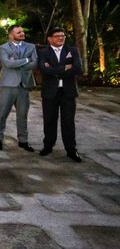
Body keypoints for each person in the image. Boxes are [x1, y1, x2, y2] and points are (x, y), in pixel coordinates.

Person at [38, 27, 83, 162]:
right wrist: (64, 68)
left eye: (62, 35)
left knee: (68, 122)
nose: (60, 38)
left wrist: (54, 70)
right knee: (49, 120)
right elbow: (43, 69)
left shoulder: (72, 51)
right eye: (57, 36)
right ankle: (48, 146)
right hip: (50, 92)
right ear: (50, 39)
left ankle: (71, 150)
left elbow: (78, 68)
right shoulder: (43, 52)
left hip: (68, 92)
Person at [0, 25, 37, 151]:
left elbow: (34, 64)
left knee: (22, 115)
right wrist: (26, 60)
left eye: (22, 31)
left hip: (24, 85)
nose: (22, 33)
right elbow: (7, 63)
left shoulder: (31, 46)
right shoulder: (3, 47)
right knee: (2, 114)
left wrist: (16, 63)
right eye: (19, 32)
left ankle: (23, 141)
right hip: (8, 85)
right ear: (11, 35)